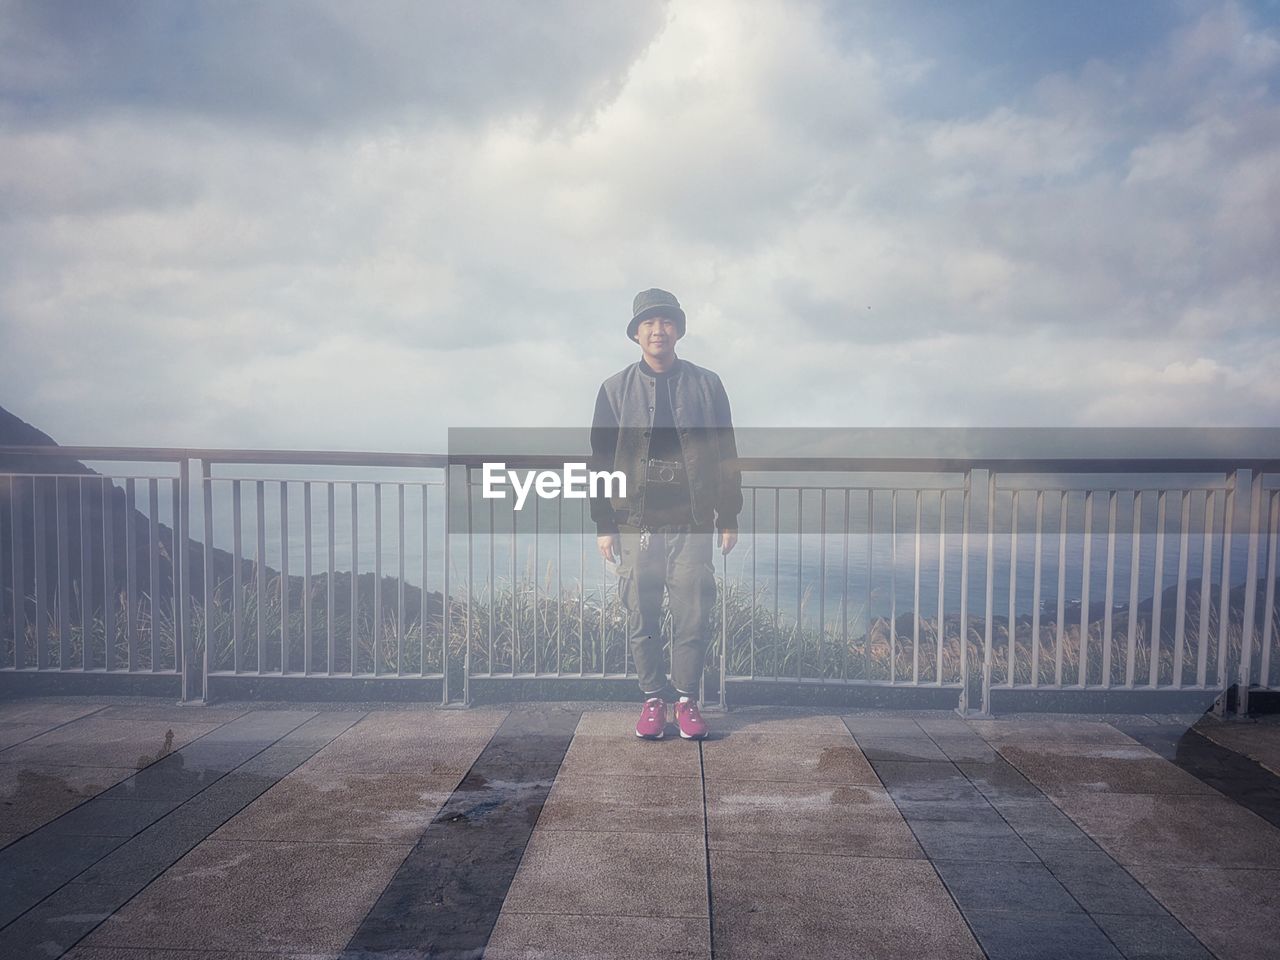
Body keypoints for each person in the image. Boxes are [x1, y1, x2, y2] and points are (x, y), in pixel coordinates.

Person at [589, 288, 741, 741]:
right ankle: (653, 700)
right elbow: (599, 461)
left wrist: (729, 514)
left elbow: (727, 454)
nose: (659, 330)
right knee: (642, 612)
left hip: (693, 521)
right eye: (649, 323)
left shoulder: (707, 385)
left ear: (678, 330)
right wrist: (604, 523)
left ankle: (688, 701)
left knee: (694, 612)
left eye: (667, 321)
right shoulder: (614, 390)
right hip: (636, 523)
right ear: (636, 334)